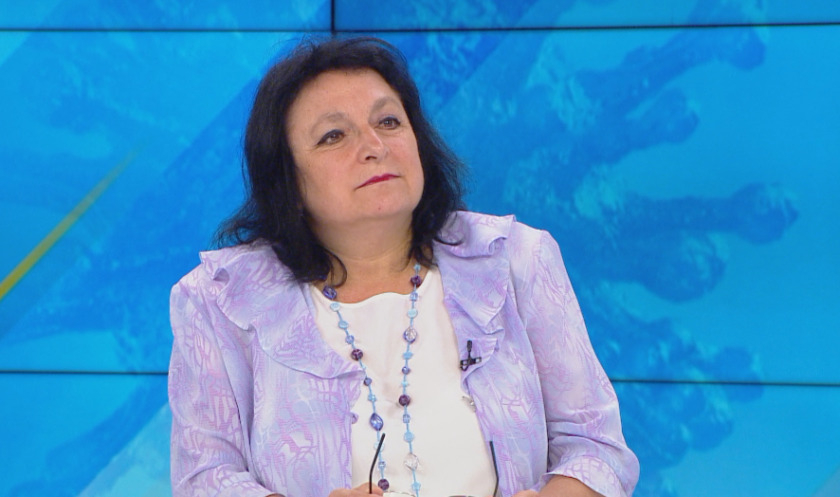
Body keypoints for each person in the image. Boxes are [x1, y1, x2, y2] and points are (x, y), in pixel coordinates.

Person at [168, 36, 639, 497]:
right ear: (286, 179)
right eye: (333, 136)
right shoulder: (219, 299)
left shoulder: (515, 257)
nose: (374, 145)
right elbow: (204, 478)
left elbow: (596, 446)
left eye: (389, 121)